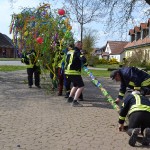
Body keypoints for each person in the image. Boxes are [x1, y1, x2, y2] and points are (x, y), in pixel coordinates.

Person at [64, 41, 87, 107]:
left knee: (75, 85)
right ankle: (75, 101)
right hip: (74, 72)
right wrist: (83, 55)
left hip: (67, 72)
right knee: (81, 86)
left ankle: (70, 98)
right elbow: (83, 59)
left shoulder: (69, 52)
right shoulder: (77, 52)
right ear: (78, 45)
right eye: (81, 45)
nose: (81, 47)